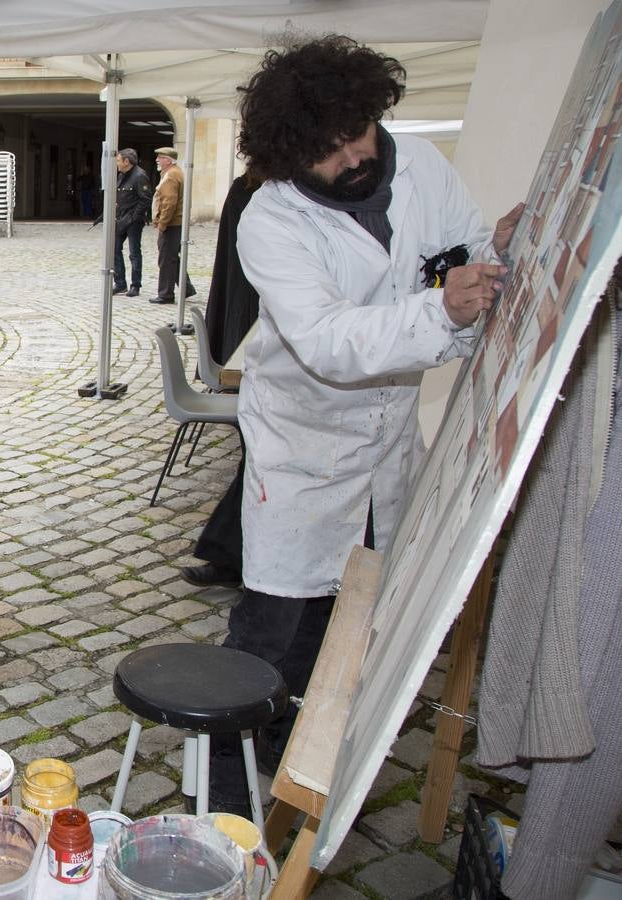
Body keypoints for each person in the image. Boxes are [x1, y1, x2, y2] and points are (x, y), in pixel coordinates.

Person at [204, 34, 520, 816]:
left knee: (352, 615)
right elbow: (327, 342)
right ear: (288, 158)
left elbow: (460, 252)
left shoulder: (418, 166)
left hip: (384, 445)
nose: (354, 156)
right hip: (301, 449)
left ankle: (301, 764)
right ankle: (220, 797)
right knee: (275, 628)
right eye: (330, 150)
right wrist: (439, 307)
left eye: (360, 132)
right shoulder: (268, 220)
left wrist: (492, 260)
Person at [179, 174, 262, 592]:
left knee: (259, 464)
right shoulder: (249, 189)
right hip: (258, 353)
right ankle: (232, 556)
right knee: (258, 462)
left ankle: (233, 556)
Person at [150, 147, 195, 305]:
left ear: (168, 160)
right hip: (176, 222)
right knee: (172, 258)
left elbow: (169, 202)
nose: (157, 160)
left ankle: (166, 294)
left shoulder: (171, 175)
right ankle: (187, 288)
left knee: (166, 259)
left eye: (160, 157)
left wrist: (162, 223)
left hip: (172, 223)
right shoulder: (175, 172)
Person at [111, 149, 152, 297]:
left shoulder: (140, 176)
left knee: (134, 252)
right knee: (114, 249)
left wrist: (135, 217)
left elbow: (145, 199)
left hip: (134, 221)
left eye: (118, 160)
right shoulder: (122, 175)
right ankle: (120, 283)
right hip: (121, 218)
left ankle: (135, 285)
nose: (117, 163)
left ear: (126, 162)